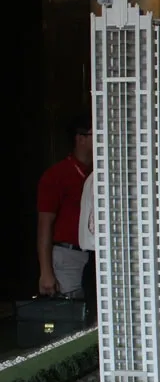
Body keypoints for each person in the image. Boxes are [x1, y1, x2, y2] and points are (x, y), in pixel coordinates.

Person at [36, 114, 92, 297]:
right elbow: (45, 224)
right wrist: (46, 272)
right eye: (96, 135)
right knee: (71, 307)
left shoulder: (99, 174)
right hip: (68, 255)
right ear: (80, 138)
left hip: (96, 254)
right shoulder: (57, 175)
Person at [79, 169, 97, 322]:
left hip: (97, 258)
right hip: (100, 259)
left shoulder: (95, 177)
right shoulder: (100, 178)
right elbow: (96, 226)